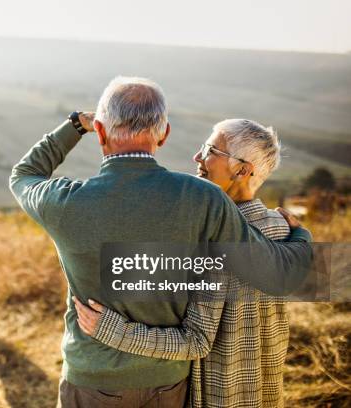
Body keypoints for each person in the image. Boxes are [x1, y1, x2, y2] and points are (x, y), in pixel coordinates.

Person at [9, 76, 312, 408]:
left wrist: (74, 127)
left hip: (93, 382)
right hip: (169, 386)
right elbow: (276, 273)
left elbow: (24, 175)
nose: (200, 156)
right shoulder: (204, 199)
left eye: (210, 150)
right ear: (164, 134)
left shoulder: (65, 201)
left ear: (100, 129)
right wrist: (300, 235)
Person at [74, 118, 299, 407]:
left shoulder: (213, 243)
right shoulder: (283, 228)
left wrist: (111, 329)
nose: (197, 157)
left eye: (211, 151)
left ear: (243, 170)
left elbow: (196, 341)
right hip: (266, 393)